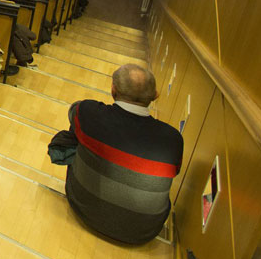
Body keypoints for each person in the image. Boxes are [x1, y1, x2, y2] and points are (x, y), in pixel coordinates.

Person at [59, 65, 182, 244]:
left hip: (83, 208)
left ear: (113, 90)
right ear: (156, 95)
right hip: (143, 233)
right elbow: (175, 171)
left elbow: (73, 112)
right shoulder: (173, 140)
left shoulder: (88, 111)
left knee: (76, 133)